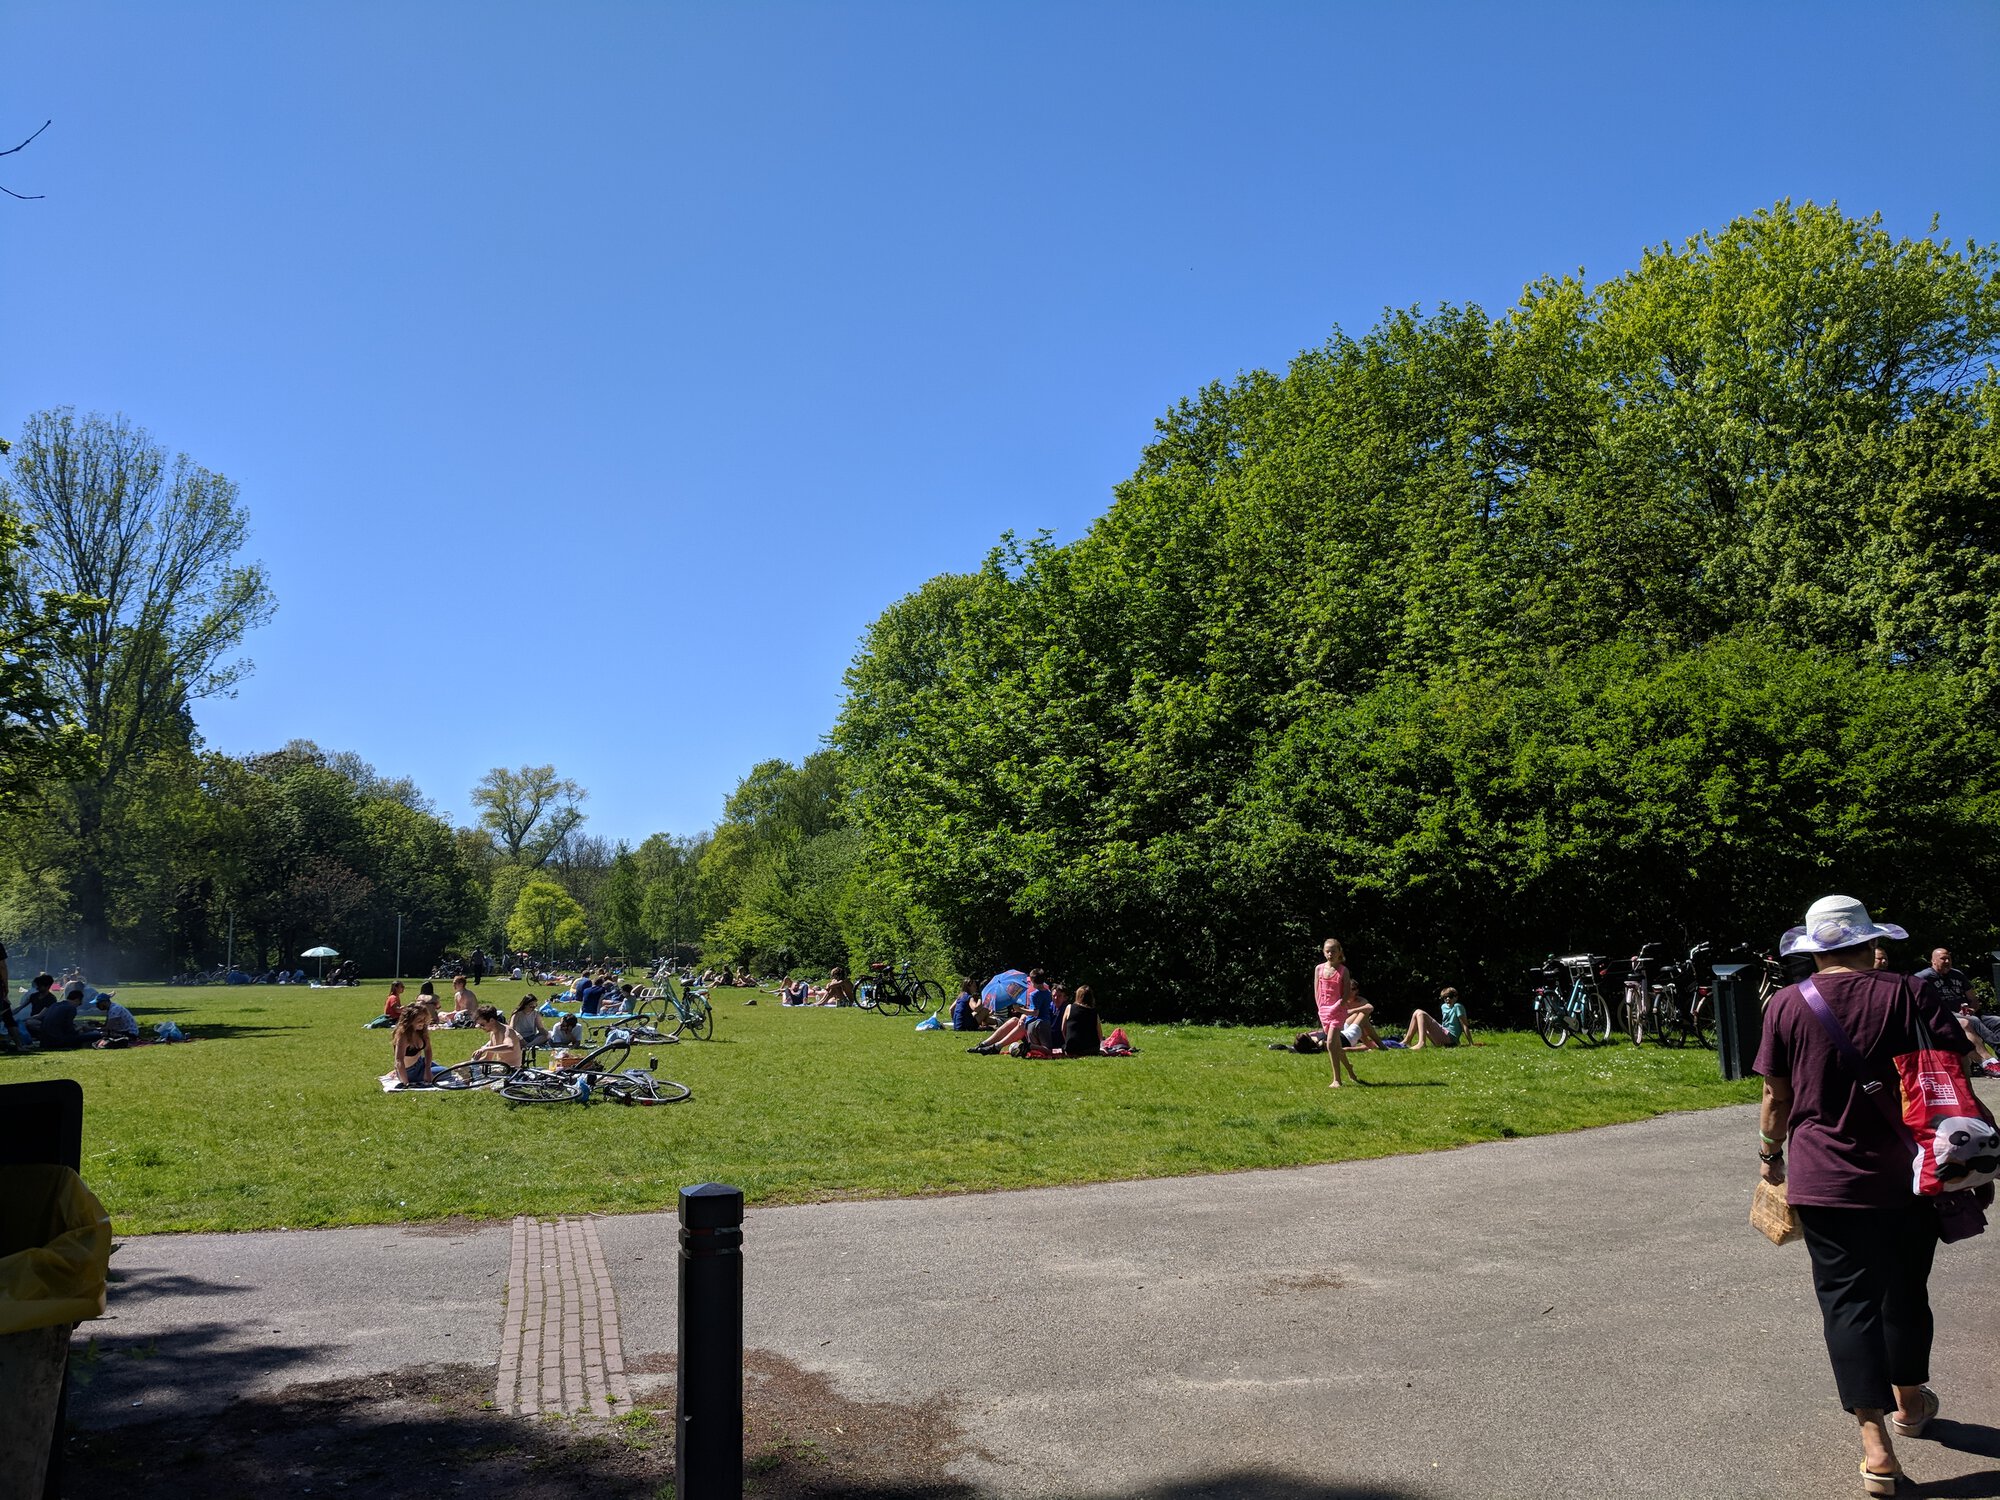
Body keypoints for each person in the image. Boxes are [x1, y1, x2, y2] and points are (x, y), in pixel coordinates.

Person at [1755, 894, 1986, 1495]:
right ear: (1868, 942)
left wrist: (1768, 1157)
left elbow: (1777, 1097)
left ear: (1814, 949)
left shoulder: (1785, 1003)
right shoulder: (1909, 992)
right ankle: (1911, 1405)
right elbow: (1954, 1066)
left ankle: (1876, 1448)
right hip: (1908, 1173)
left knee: (1847, 1304)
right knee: (1905, 1291)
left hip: (1824, 1178)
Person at [1315, 940, 1362, 1088]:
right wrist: (1320, 1008)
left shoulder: (1343, 971)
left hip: (1338, 1011)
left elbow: (1347, 992)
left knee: (1330, 1043)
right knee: (1335, 1046)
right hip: (1324, 1011)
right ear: (1323, 952)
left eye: (1333, 951)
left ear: (1339, 952)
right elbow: (1317, 990)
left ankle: (1337, 1080)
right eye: (1327, 951)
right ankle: (1350, 1069)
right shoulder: (1319, 969)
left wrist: (1338, 1006)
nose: (1330, 954)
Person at [1404, 988, 1468, 1049]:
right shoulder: (1444, 1007)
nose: (1447, 999)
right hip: (1444, 1035)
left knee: (1421, 1014)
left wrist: (1471, 1043)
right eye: (1445, 997)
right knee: (1416, 1012)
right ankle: (1407, 1041)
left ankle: (1421, 1043)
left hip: (1451, 1039)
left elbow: (1464, 1025)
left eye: (1450, 996)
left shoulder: (1458, 1006)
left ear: (1456, 997)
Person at [29, 983, 87, 1049]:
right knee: (95, 1034)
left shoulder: (55, 1005)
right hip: (58, 1041)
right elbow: (69, 1029)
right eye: (79, 1004)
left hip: (45, 1041)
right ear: (77, 1000)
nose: (78, 1006)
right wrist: (80, 1028)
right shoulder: (71, 1008)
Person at [390, 1005, 434, 1087]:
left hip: (421, 1063)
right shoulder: (403, 1036)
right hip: (409, 1071)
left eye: (424, 1019)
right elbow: (399, 1060)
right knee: (445, 1073)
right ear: (410, 1021)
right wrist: (406, 1083)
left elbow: (428, 1050)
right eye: (419, 1020)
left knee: (445, 1071)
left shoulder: (422, 1031)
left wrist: (427, 1070)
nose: (423, 1022)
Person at [470, 1004, 522, 1070]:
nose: (481, 1027)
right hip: (501, 1068)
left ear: (492, 1020)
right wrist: (469, 1064)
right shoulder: (492, 1033)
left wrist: (485, 1049)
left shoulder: (507, 1031)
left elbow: (509, 1047)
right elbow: (488, 1058)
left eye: (482, 1025)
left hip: (512, 1071)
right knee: (465, 1071)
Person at [1062, 984, 1103, 1057]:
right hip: (1092, 1048)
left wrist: (1068, 1041)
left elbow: (1062, 1029)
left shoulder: (1070, 1007)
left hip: (1073, 1048)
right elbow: (1100, 1034)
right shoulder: (1094, 1012)